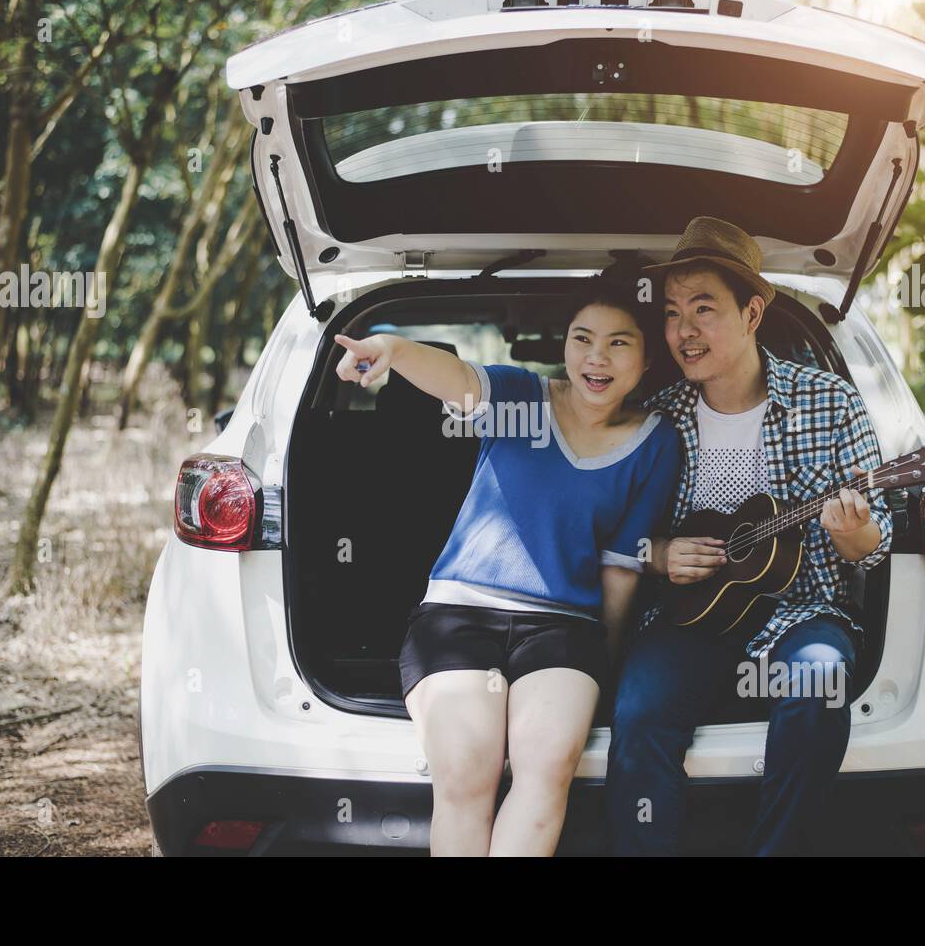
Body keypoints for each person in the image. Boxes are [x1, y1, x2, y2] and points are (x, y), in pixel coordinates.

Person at [334, 272, 681, 856]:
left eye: (620, 342)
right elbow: (459, 381)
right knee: (469, 770)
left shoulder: (655, 441)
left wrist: (607, 667)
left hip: (565, 631)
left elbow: (622, 568)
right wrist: (392, 350)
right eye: (582, 338)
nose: (596, 357)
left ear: (647, 361)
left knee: (546, 768)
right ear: (564, 345)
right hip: (457, 617)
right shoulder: (522, 396)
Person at [605, 216, 894, 856]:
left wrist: (855, 529)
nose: (683, 331)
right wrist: (658, 556)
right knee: (639, 715)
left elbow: (873, 546)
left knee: (818, 681)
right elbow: (615, 535)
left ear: (753, 312)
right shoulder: (661, 417)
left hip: (803, 612)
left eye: (703, 309)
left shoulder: (831, 403)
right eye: (674, 312)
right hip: (689, 619)